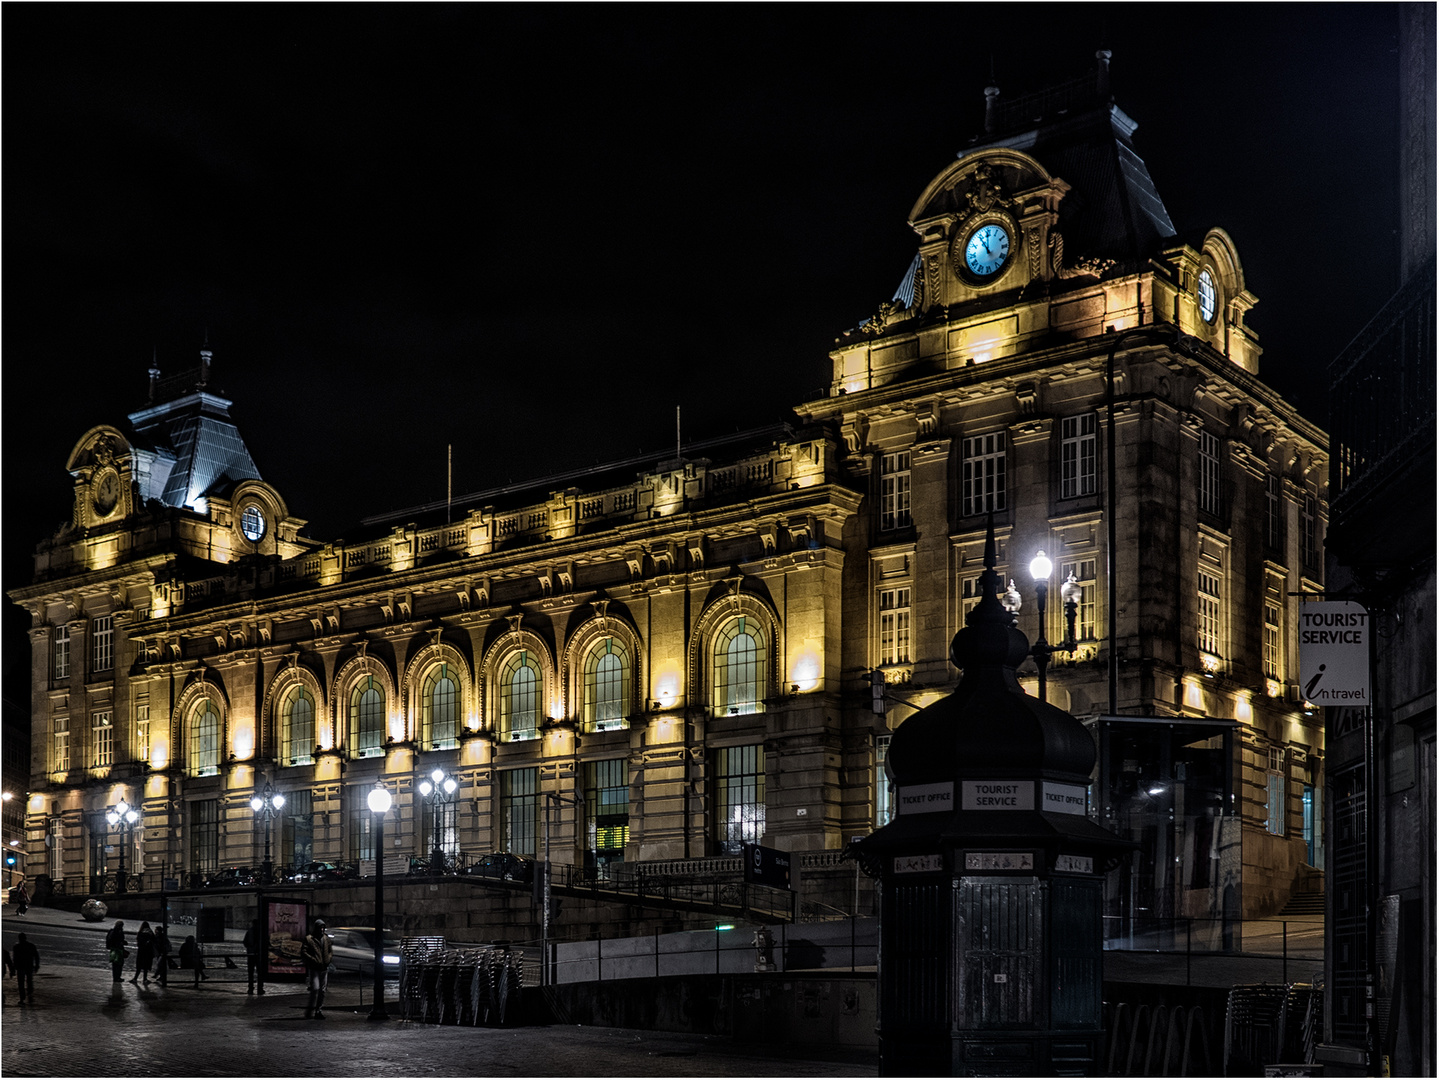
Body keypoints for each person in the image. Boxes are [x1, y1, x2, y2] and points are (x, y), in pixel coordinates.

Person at [300, 918, 333, 1019]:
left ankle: (318, 1010)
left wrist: (328, 959)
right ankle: (310, 1010)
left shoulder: (326, 939)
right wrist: (313, 959)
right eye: (320, 927)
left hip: (324, 968)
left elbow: (330, 951)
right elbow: (304, 952)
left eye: (323, 927)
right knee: (315, 989)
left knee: (322, 991)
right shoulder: (309, 939)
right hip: (314, 968)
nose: (322, 930)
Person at [13, 933, 39, 1004]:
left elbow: (15, 958)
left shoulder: (16, 947)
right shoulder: (31, 946)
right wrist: (36, 966)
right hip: (29, 966)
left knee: (21, 982)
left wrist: (14, 967)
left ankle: (22, 997)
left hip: (20, 967)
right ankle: (29, 994)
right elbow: (36, 956)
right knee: (29, 981)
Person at [131, 921, 156, 987]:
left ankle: (135, 978)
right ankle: (145, 979)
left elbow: (138, 942)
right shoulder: (150, 932)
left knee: (139, 965)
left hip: (141, 951)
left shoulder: (140, 932)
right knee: (146, 966)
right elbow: (154, 941)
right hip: (148, 952)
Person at [242, 917, 261, 994]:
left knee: (250, 972)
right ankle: (260, 987)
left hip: (251, 954)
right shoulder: (260, 931)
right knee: (259, 972)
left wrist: (249, 948)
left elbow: (245, 942)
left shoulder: (249, 931)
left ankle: (250, 988)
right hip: (258, 955)